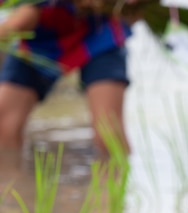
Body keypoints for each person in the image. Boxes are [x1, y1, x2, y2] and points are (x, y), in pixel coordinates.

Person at [0, 0, 133, 156]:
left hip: (97, 31)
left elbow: (24, 19)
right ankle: (11, 178)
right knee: (4, 126)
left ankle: (119, 178)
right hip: (38, 42)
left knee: (108, 132)